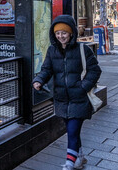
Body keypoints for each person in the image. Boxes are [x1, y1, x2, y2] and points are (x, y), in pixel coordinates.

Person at [33, 15, 101, 170]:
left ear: (71, 33)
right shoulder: (52, 50)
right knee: (73, 132)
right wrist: (38, 80)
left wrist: (83, 87)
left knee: (72, 130)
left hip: (79, 99)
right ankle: (80, 157)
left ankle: (69, 164)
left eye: (64, 33)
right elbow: (46, 70)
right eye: (57, 33)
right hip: (61, 99)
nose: (60, 36)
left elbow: (95, 70)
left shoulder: (82, 49)